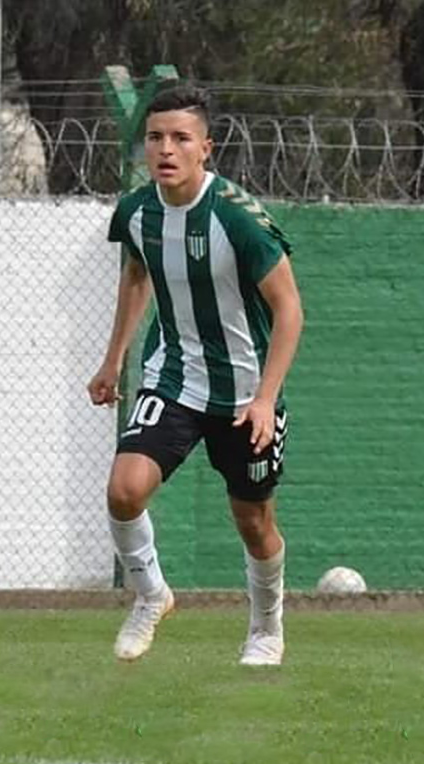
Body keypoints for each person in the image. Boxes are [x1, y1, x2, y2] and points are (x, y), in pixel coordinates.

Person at [87, 84, 303, 666]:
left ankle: (266, 629)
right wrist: (114, 359)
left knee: (254, 522)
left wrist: (265, 399)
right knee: (124, 489)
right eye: (156, 137)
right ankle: (151, 595)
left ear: (205, 148)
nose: (166, 148)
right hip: (173, 378)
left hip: (243, 393)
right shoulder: (137, 211)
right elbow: (137, 275)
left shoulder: (237, 217)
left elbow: (289, 309)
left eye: (181, 137)